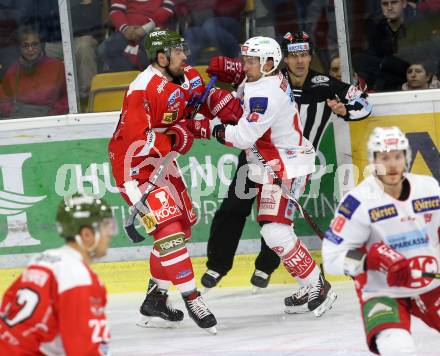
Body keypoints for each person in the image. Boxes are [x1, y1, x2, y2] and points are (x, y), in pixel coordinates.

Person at [202, 31, 371, 309]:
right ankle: (311, 283)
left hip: (285, 166)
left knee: (275, 231)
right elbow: (239, 95)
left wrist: (209, 126)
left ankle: (316, 284)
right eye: (245, 60)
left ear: (269, 62)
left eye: (251, 61)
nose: (246, 66)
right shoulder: (265, 78)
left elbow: (242, 136)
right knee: (271, 228)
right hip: (268, 163)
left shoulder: (272, 91)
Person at [108, 29, 242, 333]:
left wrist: (222, 103)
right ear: (161, 57)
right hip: (135, 169)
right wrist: (176, 134)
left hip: (164, 165)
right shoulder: (142, 90)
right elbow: (136, 141)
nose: (186, 56)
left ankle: (155, 298)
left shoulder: (186, 73)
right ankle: (191, 296)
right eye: (179, 51)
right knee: (168, 231)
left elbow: (199, 99)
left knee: (182, 227)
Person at [322, 126, 440, 355]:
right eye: (384, 157)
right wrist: (370, 260)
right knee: (398, 348)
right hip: (383, 290)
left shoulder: (429, 189)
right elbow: (332, 258)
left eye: (397, 156)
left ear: (406, 157)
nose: (392, 164)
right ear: (372, 160)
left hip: (432, 283)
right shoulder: (357, 202)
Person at [0, 194, 115, 355]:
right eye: (106, 227)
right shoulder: (78, 278)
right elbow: (85, 351)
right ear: (87, 235)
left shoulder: (42, 259)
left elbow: (6, 308)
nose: (110, 234)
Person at [0, 25, 67, 118]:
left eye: (34, 44)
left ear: (41, 45)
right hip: (21, 120)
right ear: (19, 48)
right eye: (25, 45)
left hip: (50, 119)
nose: (30, 49)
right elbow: (3, 101)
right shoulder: (12, 72)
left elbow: (67, 97)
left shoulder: (57, 67)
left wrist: (53, 113)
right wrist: (15, 113)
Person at [99, 0, 176, 72]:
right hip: (127, 30)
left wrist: (144, 29)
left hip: (154, 29)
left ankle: (145, 79)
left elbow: (167, 10)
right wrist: (126, 29)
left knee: (152, 49)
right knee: (104, 49)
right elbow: (116, 10)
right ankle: (130, 77)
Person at [176, 0, 245, 66]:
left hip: (229, 21)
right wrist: (186, 10)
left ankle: (237, 56)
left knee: (209, 26)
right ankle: (189, 70)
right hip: (203, 25)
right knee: (189, 33)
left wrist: (213, 5)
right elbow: (181, 5)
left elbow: (239, 4)